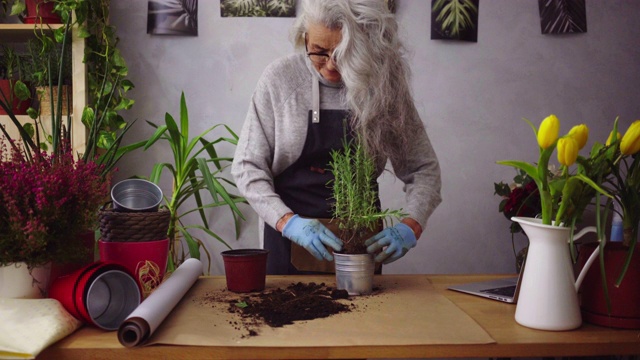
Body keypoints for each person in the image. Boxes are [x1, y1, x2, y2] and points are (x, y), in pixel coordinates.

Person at [231, 0, 441, 275]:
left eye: (344, 54)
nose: (330, 65)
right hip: (288, 242)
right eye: (318, 51)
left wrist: (411, 226)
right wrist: (289, 223)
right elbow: (247, 166)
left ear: (368, 46)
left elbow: (423, 168)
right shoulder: (280, 80)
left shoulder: (383, 85)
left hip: (360, 243)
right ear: (305, 38)